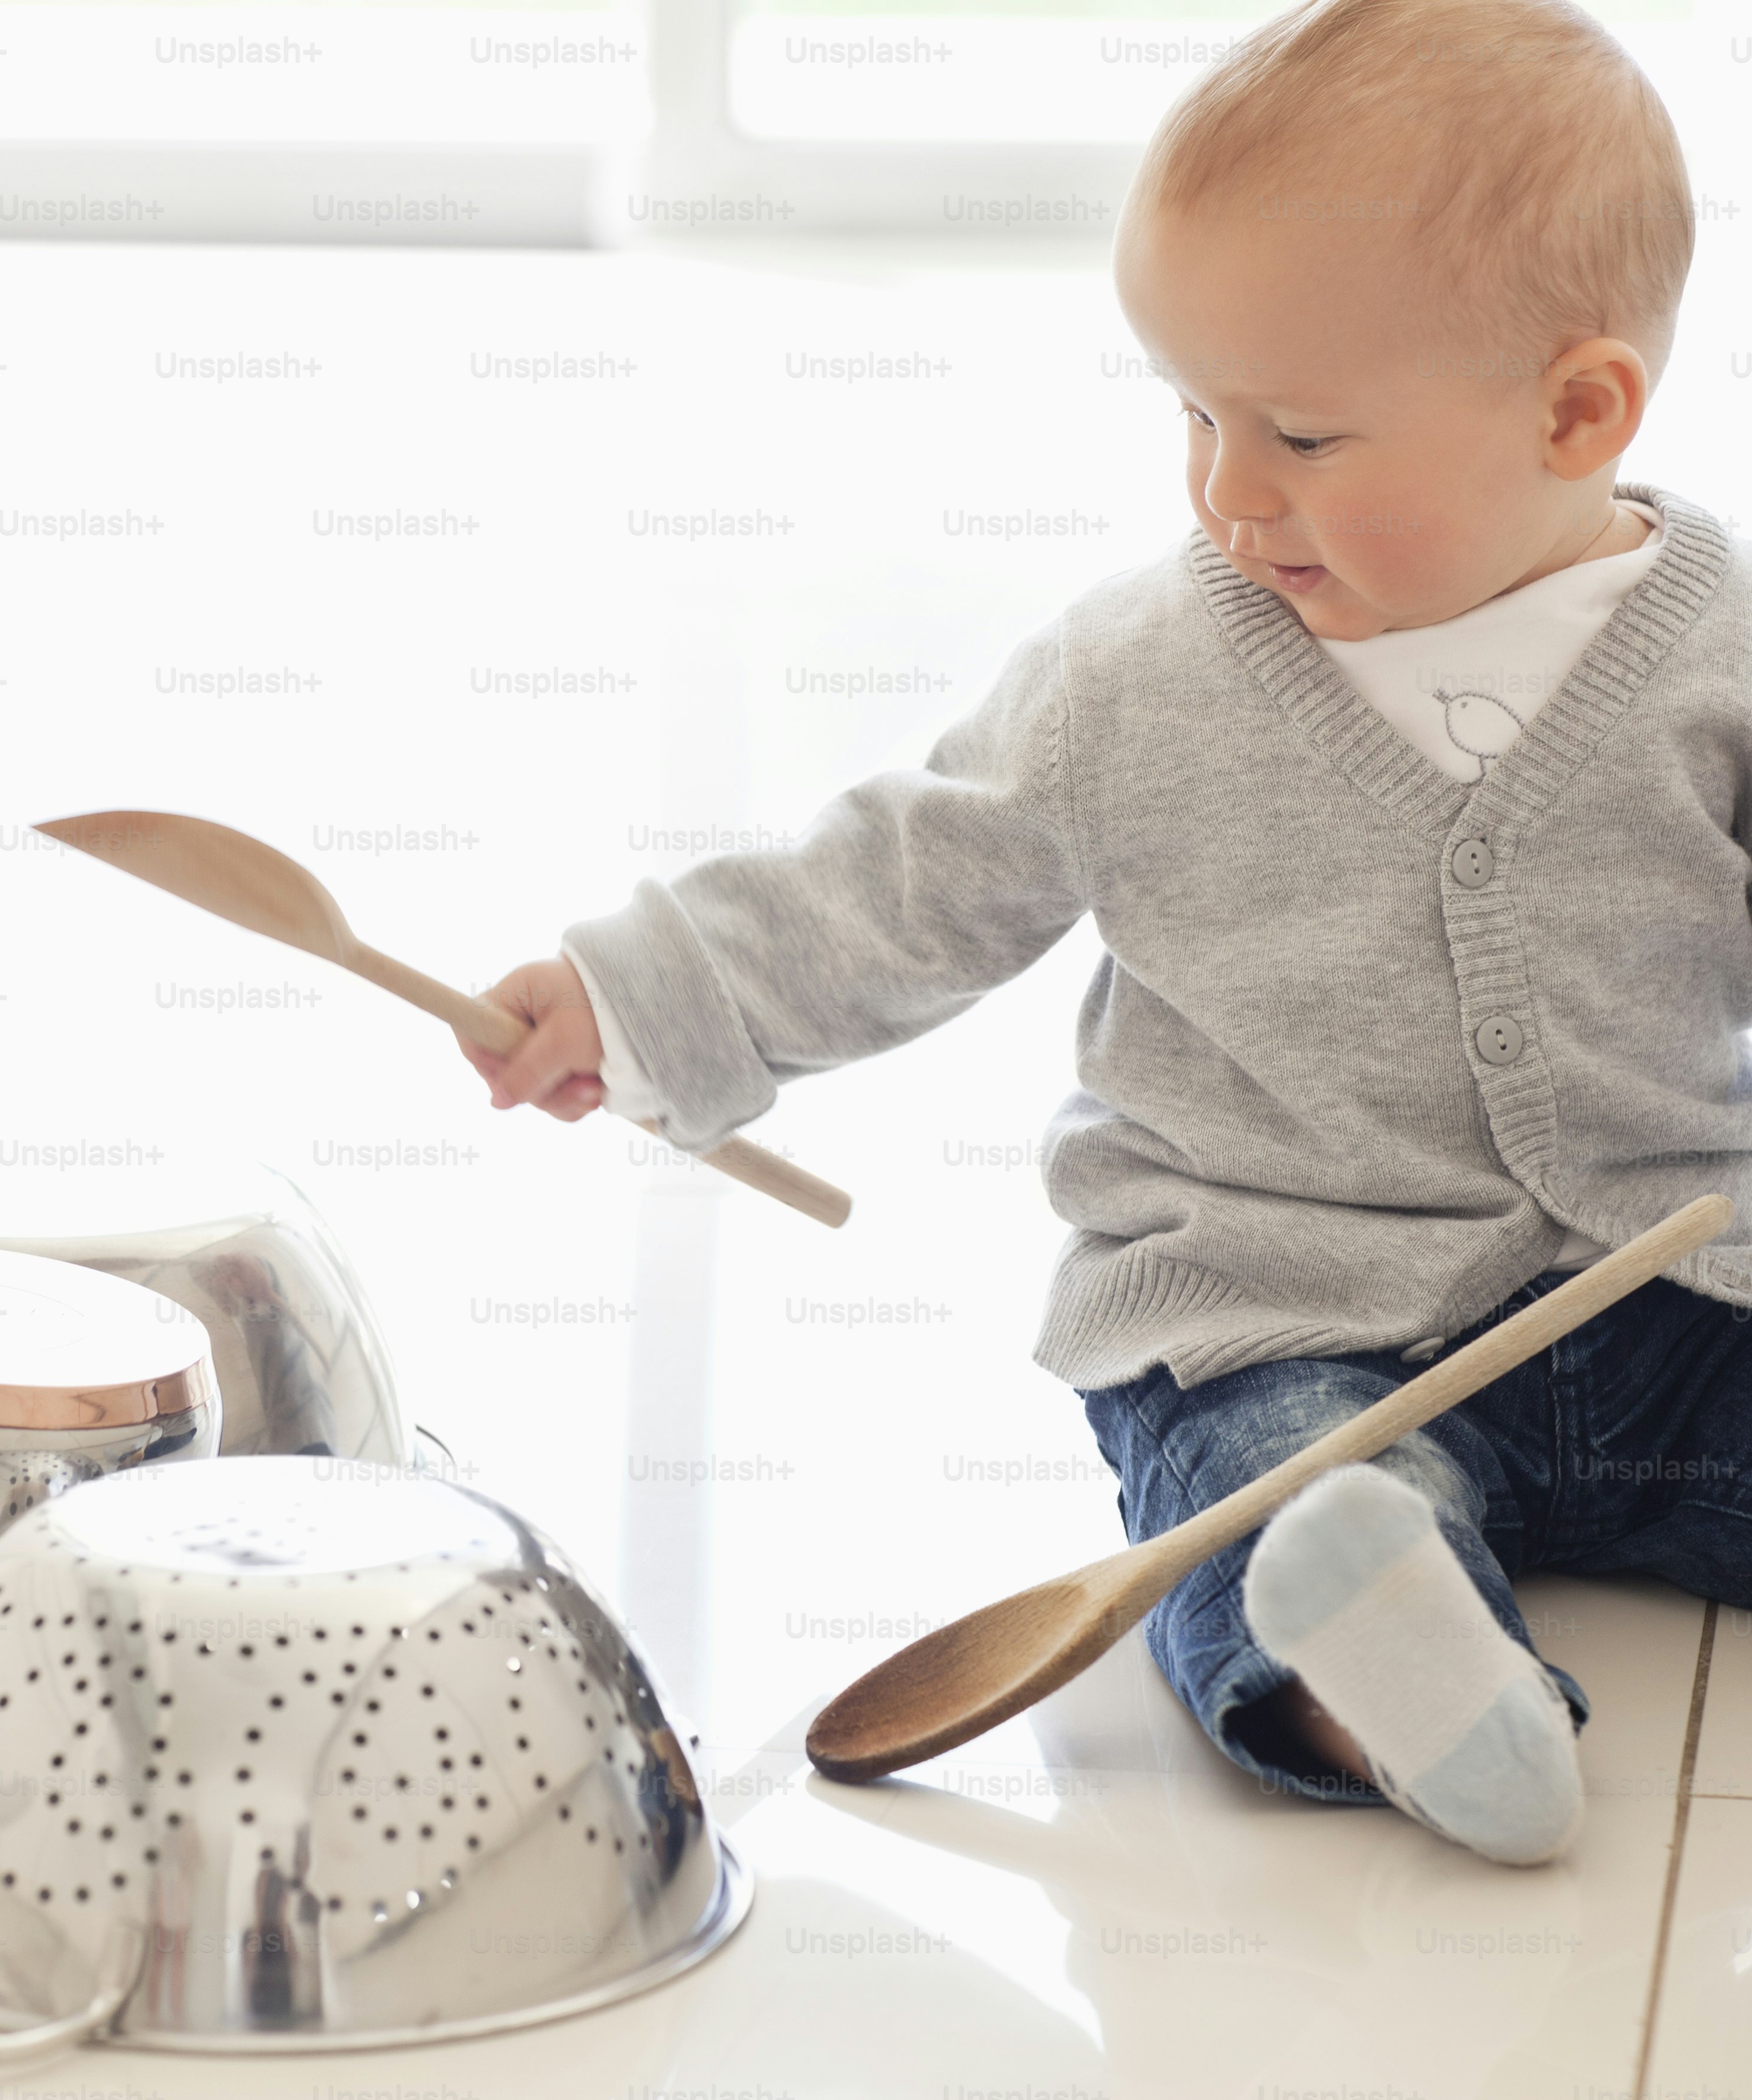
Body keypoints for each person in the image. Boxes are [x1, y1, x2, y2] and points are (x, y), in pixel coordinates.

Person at [465, 0, 1743, 1864]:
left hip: (1662, 1295)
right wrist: (640, 997)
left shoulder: (1714, 659)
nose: (1228, 491)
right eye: (1195, 419)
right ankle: (1392, 1677)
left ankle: (1399, 1595)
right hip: (1278, 1309)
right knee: (1255, 1507)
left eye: (1299, 433)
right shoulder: (1138, 675)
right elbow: (902, 878)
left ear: (1575, 410)